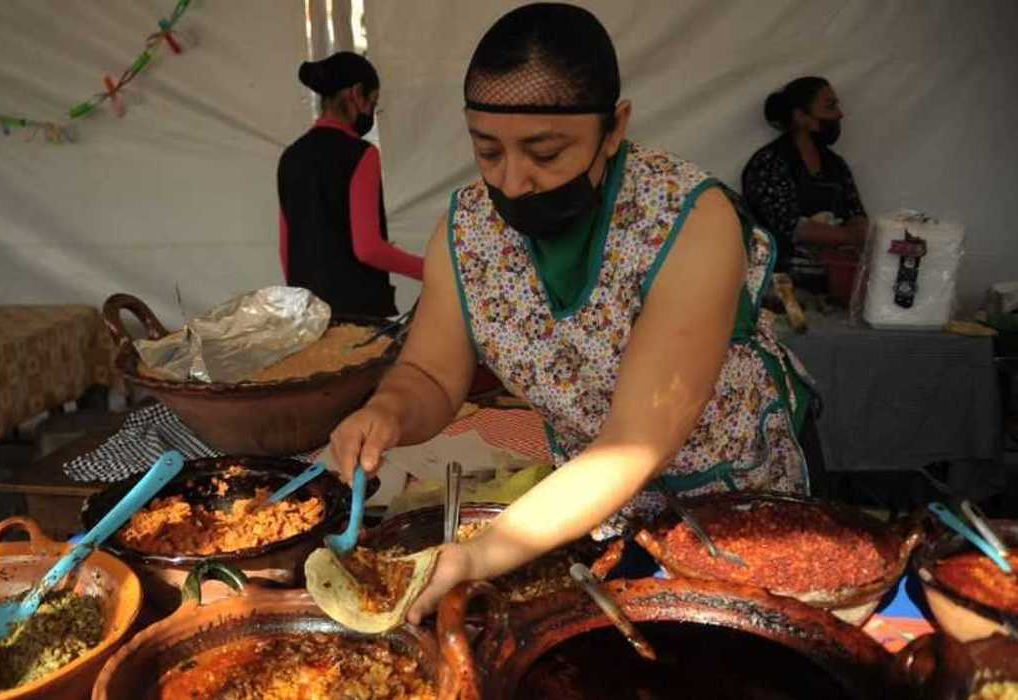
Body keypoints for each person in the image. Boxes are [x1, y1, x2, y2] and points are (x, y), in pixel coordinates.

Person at [328, 3, 816, 622]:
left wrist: (481, 557)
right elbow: (431, 372)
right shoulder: (468, 226)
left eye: (545, 152)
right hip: (581, 505)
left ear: (614, 128)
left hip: (730, 503)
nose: (513, 182)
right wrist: (387, 412)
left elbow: (634, 444)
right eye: (488, 151)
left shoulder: (688, 219)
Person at [277, 51, 423, 318]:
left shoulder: (290, 157)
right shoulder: (362, 154)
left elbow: (286, 249)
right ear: (356, 94)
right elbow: (368, 248)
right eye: (372, 102)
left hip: (310, 319)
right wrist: (428, 270)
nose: (371, 112)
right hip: (358, 317)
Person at [742, 77, 868, 294]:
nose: (839, 114)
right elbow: (791, 227)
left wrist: (858, 231)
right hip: (780, 288)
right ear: (800, 116)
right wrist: (849, 235)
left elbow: (857, 215)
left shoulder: (836, 165)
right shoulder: (769, 162)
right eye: (830, 107)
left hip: (833, 286)